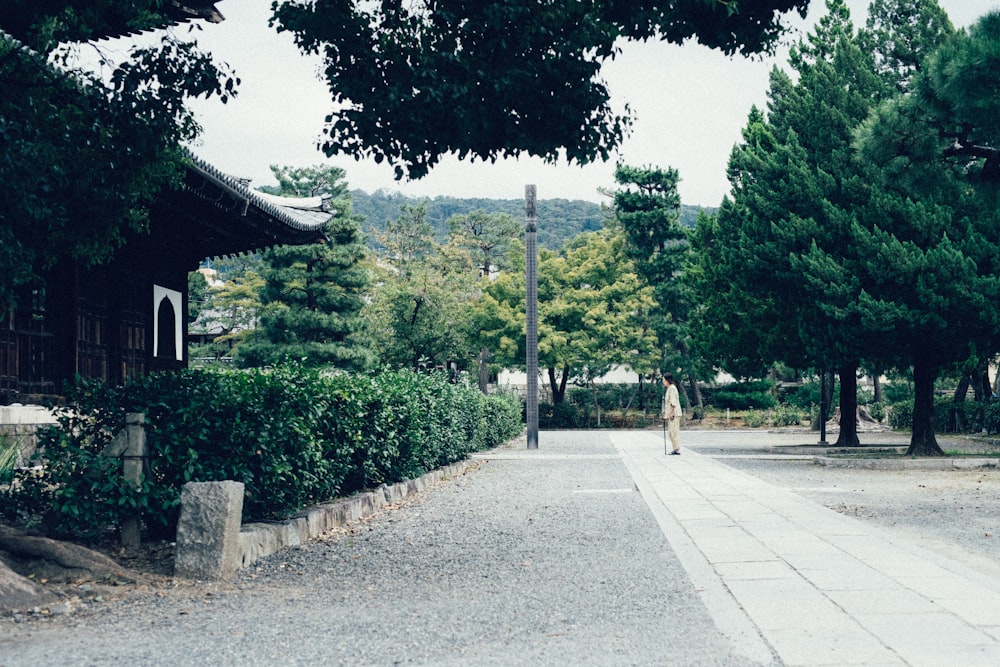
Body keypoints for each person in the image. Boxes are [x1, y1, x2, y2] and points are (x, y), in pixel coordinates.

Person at [661, 373, 681, 455]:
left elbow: (673, 402)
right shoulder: (669, 388)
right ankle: (675, 448)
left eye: (663, 380)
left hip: (674, 414)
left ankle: (676, 449)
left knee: (673, 431)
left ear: (667, 380)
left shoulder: (672, 388)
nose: (663, 382)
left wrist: (671, 413)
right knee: (671, 431)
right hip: (671, 413)